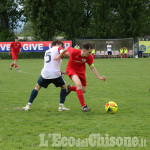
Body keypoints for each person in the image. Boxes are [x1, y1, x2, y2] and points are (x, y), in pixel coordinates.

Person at [54, 43, 106, 112]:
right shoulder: (75, 51)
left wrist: (99, 77)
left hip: (81, 72)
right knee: (78, 85)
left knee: (83, 90)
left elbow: (92, 67)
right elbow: (66, 49)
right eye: (89, 52)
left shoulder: (89, 57)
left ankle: (70, 88)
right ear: (84, 50)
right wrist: (59, 56)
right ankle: (83, 106)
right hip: (71, 69)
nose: (90, 54)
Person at [22, 40, 70, 111]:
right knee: (63, 87)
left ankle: (28, 105)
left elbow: (50, 65)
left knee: (37, 87)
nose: (62, 47)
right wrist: (72, 53)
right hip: (55, 74)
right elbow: (66, 54)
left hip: (46, 73)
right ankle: (61, 106)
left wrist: (63, 72)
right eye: (61, 45)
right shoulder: (58, 48)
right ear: (57, 44)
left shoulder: (47, 51)